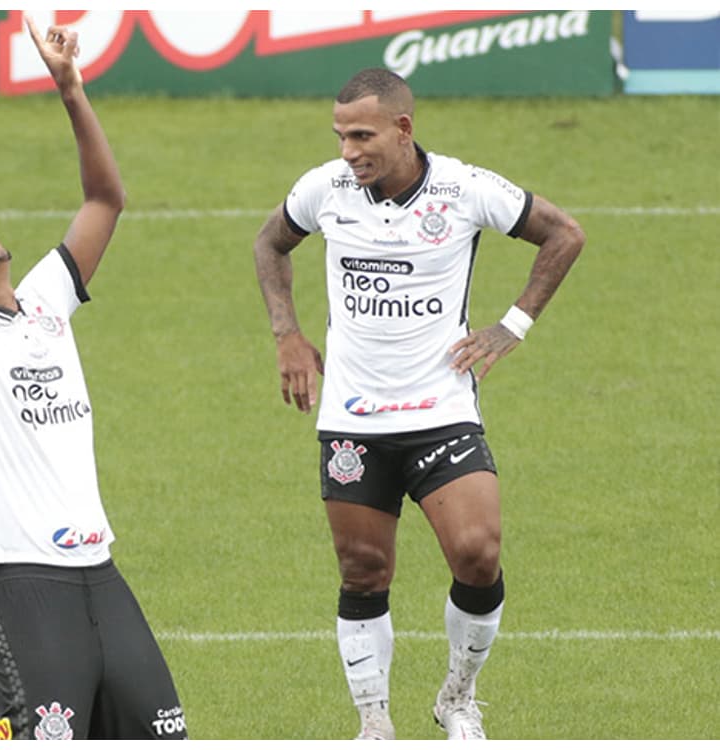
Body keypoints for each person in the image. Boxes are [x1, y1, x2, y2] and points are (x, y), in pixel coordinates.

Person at [253, 68, 584, 740]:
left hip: (441, 410)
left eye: (362, 135)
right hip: (353, 418)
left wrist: (511, 325)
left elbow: (564, 234)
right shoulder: (326, 189)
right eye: (341, 135)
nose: (348, 150)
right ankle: (374, 722)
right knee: (363, 570)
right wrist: (287, 334)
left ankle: (458, 697)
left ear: (404, 129)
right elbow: (270, 244)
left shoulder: (465, 189)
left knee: (477, 551)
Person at [0, 17, 186, 741]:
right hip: (21, 581)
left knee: (164, 734)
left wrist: (69, 87)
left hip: (99, 569)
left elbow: (104, 200)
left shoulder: (46, 302)